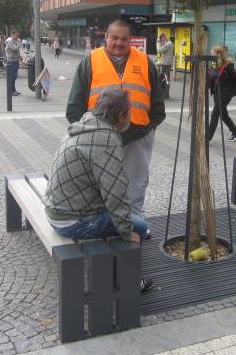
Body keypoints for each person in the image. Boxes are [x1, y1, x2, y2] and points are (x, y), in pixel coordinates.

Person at [44, 89, 153, 292]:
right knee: (138, 226)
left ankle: (116, 273)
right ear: (120, 116)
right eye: (129, 114)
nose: (130, 118)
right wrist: (127, 232)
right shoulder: (106, 140)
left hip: (57, 209)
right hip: (71, 220)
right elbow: (116, 195)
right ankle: (125, 282)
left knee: (125, 222)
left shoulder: (86, 123)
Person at [66, 19, 166, 225]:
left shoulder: (145, 62)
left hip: (138, 135)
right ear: (106, 37)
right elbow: (74, 106)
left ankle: (136, 222)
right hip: (100, 137)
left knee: (137, 182)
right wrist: (87, 134)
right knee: (100, 181)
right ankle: (104, 222)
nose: (118, 43)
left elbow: (157, 103)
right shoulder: (90, 61)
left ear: (131, 40)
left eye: (124, 39)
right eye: (114, 38)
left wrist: (149, 130)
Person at [206, 45, 236, 142]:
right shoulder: (213, 66)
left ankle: (207, 138)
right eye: (211, 54)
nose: (211, 55)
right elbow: (209, 80)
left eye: (213, 54)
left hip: (225, 94)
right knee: (223, 115)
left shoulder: (227, 67)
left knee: (215, 114)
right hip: (217, 93)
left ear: (219, 54)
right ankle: (235, 132)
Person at [156, 32, 174, 98]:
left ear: (163, 37)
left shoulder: (168, 44)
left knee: (164, 78)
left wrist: (158, 43)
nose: (161, 40)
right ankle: (166, 94)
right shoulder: (168, 43)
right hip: (166, 63)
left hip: (165, 64)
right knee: (166, 79)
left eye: (161, 38)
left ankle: (165, 94)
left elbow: (159, 50)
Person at [5, 30, 22, 96]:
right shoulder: (9, 42)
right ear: (12, 35)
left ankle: (13, 90)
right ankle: (11, 91)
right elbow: (15, 49)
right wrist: (19, 43)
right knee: (12, 76)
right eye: (15, 35)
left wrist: (19, 57)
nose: (17, 37)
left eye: (17, 36)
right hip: (11, 61)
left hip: (15, 60)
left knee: (14, 76)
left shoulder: (15, 41)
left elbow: (16, 51)